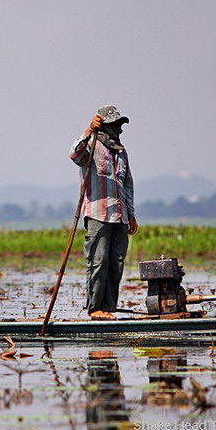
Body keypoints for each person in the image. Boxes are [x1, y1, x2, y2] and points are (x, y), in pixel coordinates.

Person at [69, 106, 138, 320]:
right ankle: (95, 308)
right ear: (105, 126)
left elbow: (127, 184)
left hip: (120, 215)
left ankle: (108, 308)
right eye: (115, 125)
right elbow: (74, 154)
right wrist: (89, 130)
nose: (119, 129)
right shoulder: (91, 145)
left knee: (116, 262)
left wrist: (131, 214)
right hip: (98, 213)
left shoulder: (121, 151)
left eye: (120, 125)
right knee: (98, 261)